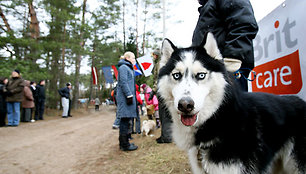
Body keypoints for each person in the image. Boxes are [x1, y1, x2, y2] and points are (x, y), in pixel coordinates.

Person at [192, 0, 259, 91]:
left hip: (227, 69)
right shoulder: (208, 5)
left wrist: (232, 60)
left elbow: (243, 24)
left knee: (232, 104)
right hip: (209, 73)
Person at [116, 51, 138, 151]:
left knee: (126, 120)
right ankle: (124, 145)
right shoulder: (123, 68)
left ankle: (124, 142)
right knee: (124, 120)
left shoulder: (128, 67)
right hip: (125, 98)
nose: (135, 60)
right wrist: (129, 95)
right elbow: (123, 82)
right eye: (133, 58)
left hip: (128, 98)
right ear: (128, 58)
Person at [150, 50, 173, 143]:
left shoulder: (160, 63)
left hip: (162, 91)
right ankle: (166, 135)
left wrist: (153, 91)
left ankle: (167, 137)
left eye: (154, 55)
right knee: (167, 114)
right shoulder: (165, 62)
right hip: (167, 90)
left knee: (164, 114)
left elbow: (159, 79)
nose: (153, 57)